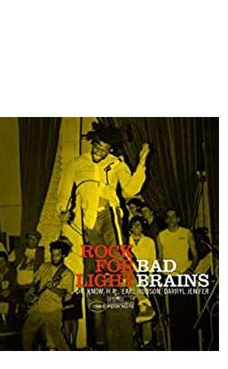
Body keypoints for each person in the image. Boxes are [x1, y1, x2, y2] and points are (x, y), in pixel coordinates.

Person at [56, 121, 152, 350]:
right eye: (97, 147)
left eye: (104, 150)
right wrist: (62, 210)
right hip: (88, 223)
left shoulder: (116, 163)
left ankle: (143, 301)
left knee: (118, 255)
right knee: (102, 266)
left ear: (111, 149)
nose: (99, 153)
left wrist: (141, 162)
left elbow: (130, 189)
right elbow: (64, 191)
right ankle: (104, 334)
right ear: (92, 142)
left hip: (109, 214)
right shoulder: (76, 163)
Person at [157, 209, 199, 350]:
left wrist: (190, 270)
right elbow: (160, 258)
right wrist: (162, 276)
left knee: (188, 313)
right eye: (168, 217)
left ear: (178, 219)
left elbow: (195, 256)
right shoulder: (161, 235)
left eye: (174, 216)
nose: (171, 219)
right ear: (165, 220)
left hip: (185, 277)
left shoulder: (186, 233)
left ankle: (191, 346)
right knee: (173, 316)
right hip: (170, 278)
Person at [21, 240, 74, 351]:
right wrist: (31, 290)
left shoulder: (67, 273)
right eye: (52, 255)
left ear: (63, 255)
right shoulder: (45, 266)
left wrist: (52, 287)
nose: (54, 258)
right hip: (38, 306)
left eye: (57, 255)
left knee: (56, 338)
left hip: (53, 308)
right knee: (26, 332)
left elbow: (65, 293)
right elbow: (35, 280)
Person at [129, 216, 157, 346]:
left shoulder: (149, 242)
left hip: (145, 278)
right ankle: (135, 341)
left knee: (146, 308)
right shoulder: (125, 242)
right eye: (134, 224)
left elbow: (152, 261)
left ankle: (147, 341)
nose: (137, 227)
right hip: (130, 279)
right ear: (130, 227)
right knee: (132, 310)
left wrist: (149, 278)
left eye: (139, 225)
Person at [8, 231, 45, 302]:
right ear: (27, 239)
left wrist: (35, 285)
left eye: (35, 239)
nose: (33, 241)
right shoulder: (18, 250)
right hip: (17, 285)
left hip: (32, 286)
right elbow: (8, 263)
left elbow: (42, 269)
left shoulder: (40, 253)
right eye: (31, 238)